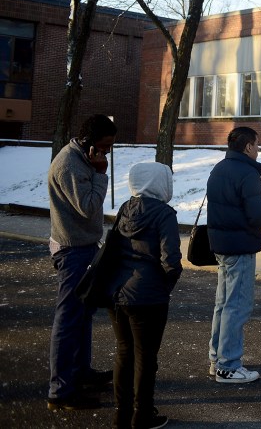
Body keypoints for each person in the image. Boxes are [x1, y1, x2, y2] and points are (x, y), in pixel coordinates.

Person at [47, 113, 117, 411]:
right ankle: (60, 392)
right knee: (69, 320)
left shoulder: (82, 158)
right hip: (73, 250)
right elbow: (88, 207)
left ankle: (81, 373)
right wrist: (100, 174)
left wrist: (97, 166)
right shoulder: (69, 164)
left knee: (83, 314)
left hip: (85, 246)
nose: (108, 153)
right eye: (104, 146)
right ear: (88, 142)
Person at [109, 162, 181, 429]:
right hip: (148, 296)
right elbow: (171, 260)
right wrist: (164, 286)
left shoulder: (125, 208)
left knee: (124, 352)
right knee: (146, 356)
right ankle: (142, 416)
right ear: (160, 183)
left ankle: (121, 415)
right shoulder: (164, 214)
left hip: (117, 292)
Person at [207, 126, 261, 384]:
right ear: (248, 146)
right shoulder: (247, 172)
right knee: (237, 306)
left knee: (223, 304)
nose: (258, 149)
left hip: (222, 244)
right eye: (257, 145)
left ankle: (218, 358)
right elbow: (258, 213)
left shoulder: (219, 168)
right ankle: (229, 365)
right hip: (241, 245)